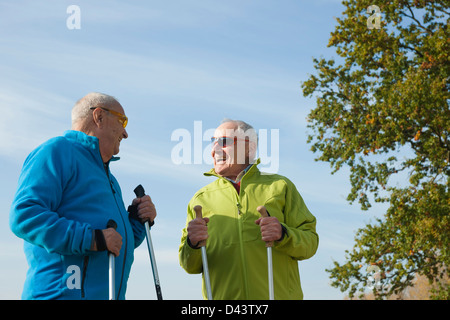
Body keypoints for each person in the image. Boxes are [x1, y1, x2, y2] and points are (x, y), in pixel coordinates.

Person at [9, 92, 157, 300]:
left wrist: (137, 221)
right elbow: (25, 216)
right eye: (122, 121)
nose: (125, 133)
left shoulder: (109, 178)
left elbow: (113, 242)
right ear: (99, 117)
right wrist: (92, 238)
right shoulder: (57, 151)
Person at [179, 119, 319, 300]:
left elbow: (310, 243)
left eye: (223, 141)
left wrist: (283, 234)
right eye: (213, 142)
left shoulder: (280, 186)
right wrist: (192, 244)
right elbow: (188, 265)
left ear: (249, 148)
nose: (214, 150)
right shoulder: (200, 200)